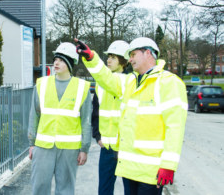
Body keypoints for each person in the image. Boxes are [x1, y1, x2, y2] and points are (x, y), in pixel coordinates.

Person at [75, 37, 187, 195]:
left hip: (151, 172)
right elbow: (106, 78)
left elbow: (175, 127)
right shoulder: (130, 82)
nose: (130, 59)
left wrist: (168, 165)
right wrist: (91, 58)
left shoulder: (169, 83)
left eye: (133, 54)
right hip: (130, 168)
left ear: (148, 53)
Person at [28, 42, 92, 195]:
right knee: (39, 187)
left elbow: (86, 121)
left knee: (65, 190)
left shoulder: (82, 88)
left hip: (69, 149)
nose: (56, 62)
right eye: (56, 59)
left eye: (62, 60)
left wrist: (85, 148)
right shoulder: (41, 84)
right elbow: (34, 115)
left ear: (70, 63)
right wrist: (31, 143)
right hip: (43, 146)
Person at [91, 40, 131, 195]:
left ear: (124, 61)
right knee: (104, 190)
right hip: (107, 147)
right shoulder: (101, 83)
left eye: (113, 57)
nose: (108, 60)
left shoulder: (132, 82)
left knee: (130, 190)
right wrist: (97, 136)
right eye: (108, 57)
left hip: (126, 147)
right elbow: (96, 113)